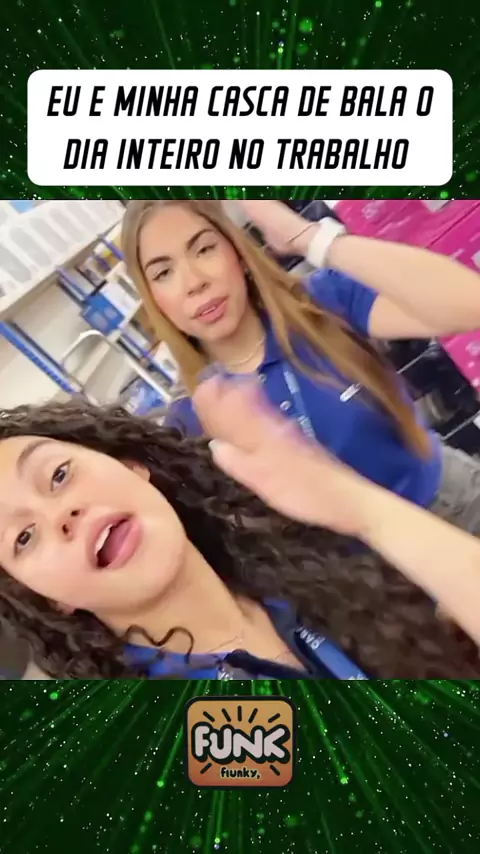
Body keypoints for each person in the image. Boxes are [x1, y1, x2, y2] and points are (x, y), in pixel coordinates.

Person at [0, 385, 479, 682]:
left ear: (131, 466)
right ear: (45, 599)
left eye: (58, 475)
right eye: (23, 538)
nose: (61, 515)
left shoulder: (298, 568)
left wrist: (362, 510)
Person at [122, 199, 480, 535]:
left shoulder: (320, 303)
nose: (194, 281)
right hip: (371, 576)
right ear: (153, 300)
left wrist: (309, 238)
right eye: (164, 273)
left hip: (453, 509)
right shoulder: (189, 423)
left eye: (204, 249)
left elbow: (468, 303)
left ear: (237, 251)